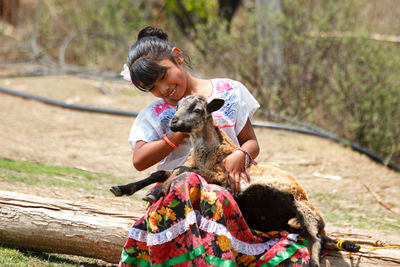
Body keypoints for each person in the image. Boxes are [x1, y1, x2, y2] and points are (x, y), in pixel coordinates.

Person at [118, 26, 310, 266]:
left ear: (178, 57)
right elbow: (140, 161)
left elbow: (251, 143)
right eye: (152, 89)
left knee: (231, 198)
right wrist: (177, 135)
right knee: (191, 182)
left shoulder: (229, 92)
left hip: (229, 188)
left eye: (163, 77)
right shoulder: (156, 113)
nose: (163, 89)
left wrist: (241, 154)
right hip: (182, 198)